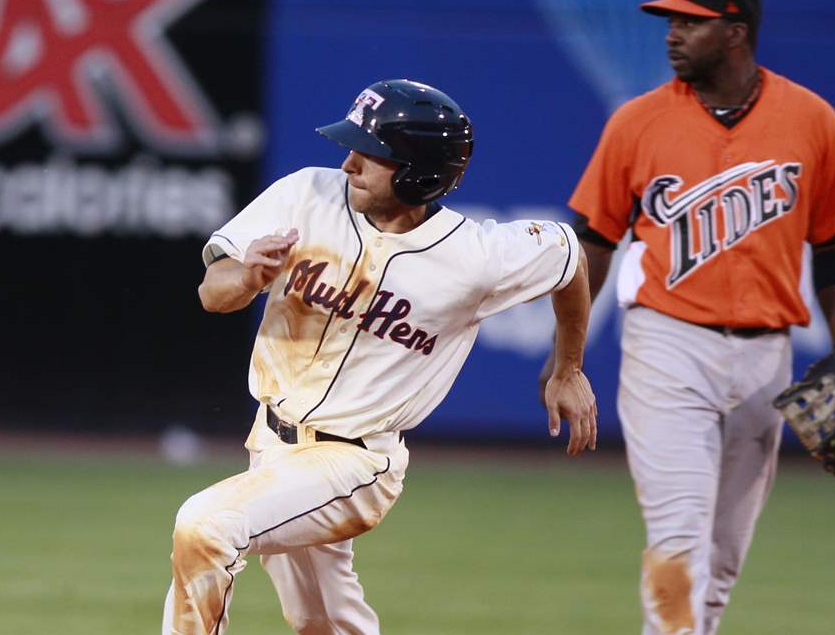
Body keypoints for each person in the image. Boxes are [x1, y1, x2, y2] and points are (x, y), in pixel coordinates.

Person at [163, 78, 597, 635]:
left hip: (356, 461)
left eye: (370, 155)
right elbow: (211, 292)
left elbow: (569, 258)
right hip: (270, 442)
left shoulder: (475, 258)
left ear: (420, 173)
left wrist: (569, 368)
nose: (348, 164)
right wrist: (248, 276)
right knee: (320, 621)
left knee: (205, 526)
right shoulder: (306, 195)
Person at [549, 0, 835, 634]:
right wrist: (568, 356)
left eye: (691, 21)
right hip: (668, 345)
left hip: (767, 357)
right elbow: (593, 244)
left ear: (736, 31)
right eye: (672, 19)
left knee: (721, 560)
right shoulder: (637, 122)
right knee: (678, 536)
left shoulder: (813, 121)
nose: (673, 33)